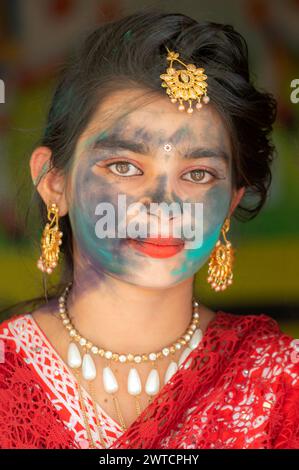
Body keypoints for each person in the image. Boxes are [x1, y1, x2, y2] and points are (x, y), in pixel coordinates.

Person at [0, 9, 298, 449]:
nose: (163, 205)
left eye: (198, 174)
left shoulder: (281, 385)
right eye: (123, 166)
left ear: (231, 201)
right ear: (53, 181)